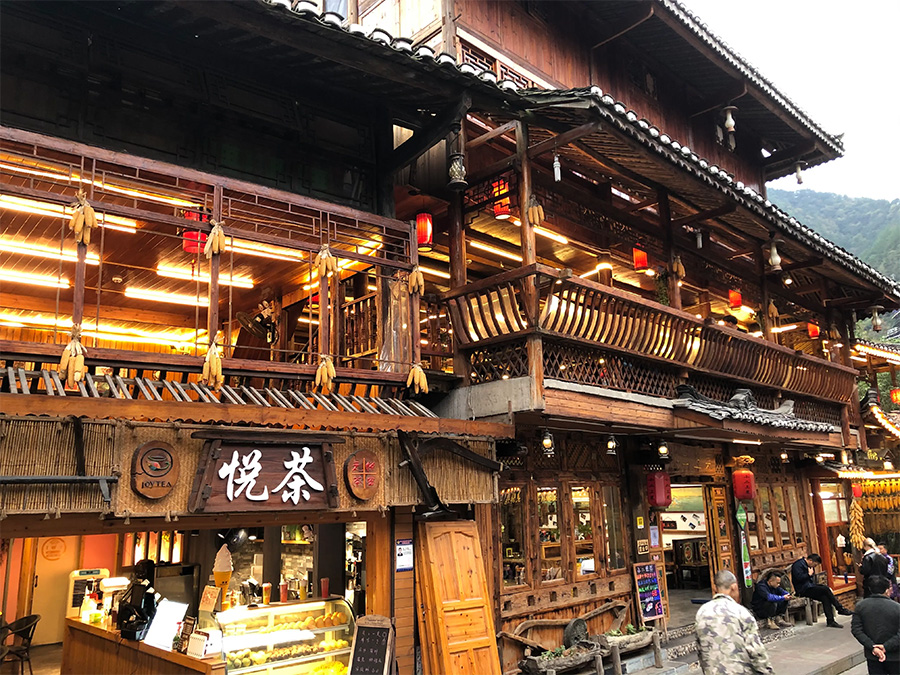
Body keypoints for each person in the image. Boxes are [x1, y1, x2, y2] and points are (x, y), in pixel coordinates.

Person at [696, 569, 774, 675]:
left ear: (715, 588)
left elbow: (701, 651)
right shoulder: (741, 612)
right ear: (734, 587)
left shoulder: (702, 613)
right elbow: (756, 651)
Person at [850, 575, 900, 674]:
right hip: (895, 655)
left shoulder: (861, 606)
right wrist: (885, 647)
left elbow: (856, 630)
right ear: (886, 590)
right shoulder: (897, 608)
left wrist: (873, 646)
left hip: (873, 655)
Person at [791, 553, 852, 627]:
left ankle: (830, 621)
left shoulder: (809, 566)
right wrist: (808, 574)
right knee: (825, 589)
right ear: (810, 561)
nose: (814, 567)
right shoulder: (798, 565)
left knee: (825, 597)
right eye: (815, 565)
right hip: (803, 589)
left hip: (810, 587)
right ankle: (840, 608)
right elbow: (798, 578)